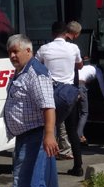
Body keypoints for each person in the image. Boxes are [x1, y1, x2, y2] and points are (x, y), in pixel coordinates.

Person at [1, 34, 59, 187]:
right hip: (25, 135)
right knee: (36, 178)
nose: (12, 55)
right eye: (9, 52)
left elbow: (48, 106)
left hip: (35, 134)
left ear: (28, 50)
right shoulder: (21, 72)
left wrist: (49, 135)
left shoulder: (36, 73)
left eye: (16, 51)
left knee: (24, 181)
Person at [36, 21, 85, 177]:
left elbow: (35, 67)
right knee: (72, 131)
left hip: (50, 94)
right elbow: (80, 65)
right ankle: (78, 166)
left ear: (52, 34)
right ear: (66, 33)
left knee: (50, 131)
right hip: (69, 94)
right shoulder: (73, 48)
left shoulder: (44, 49)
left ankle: (48, 171)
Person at [76, 64, 104, 146]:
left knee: (78, 113)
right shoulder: (98, 70)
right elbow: (103, 87)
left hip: (72, 86)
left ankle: (81, 136)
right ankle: (77, 136)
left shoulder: (86, 67)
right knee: (84, 113)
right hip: (81, 86)